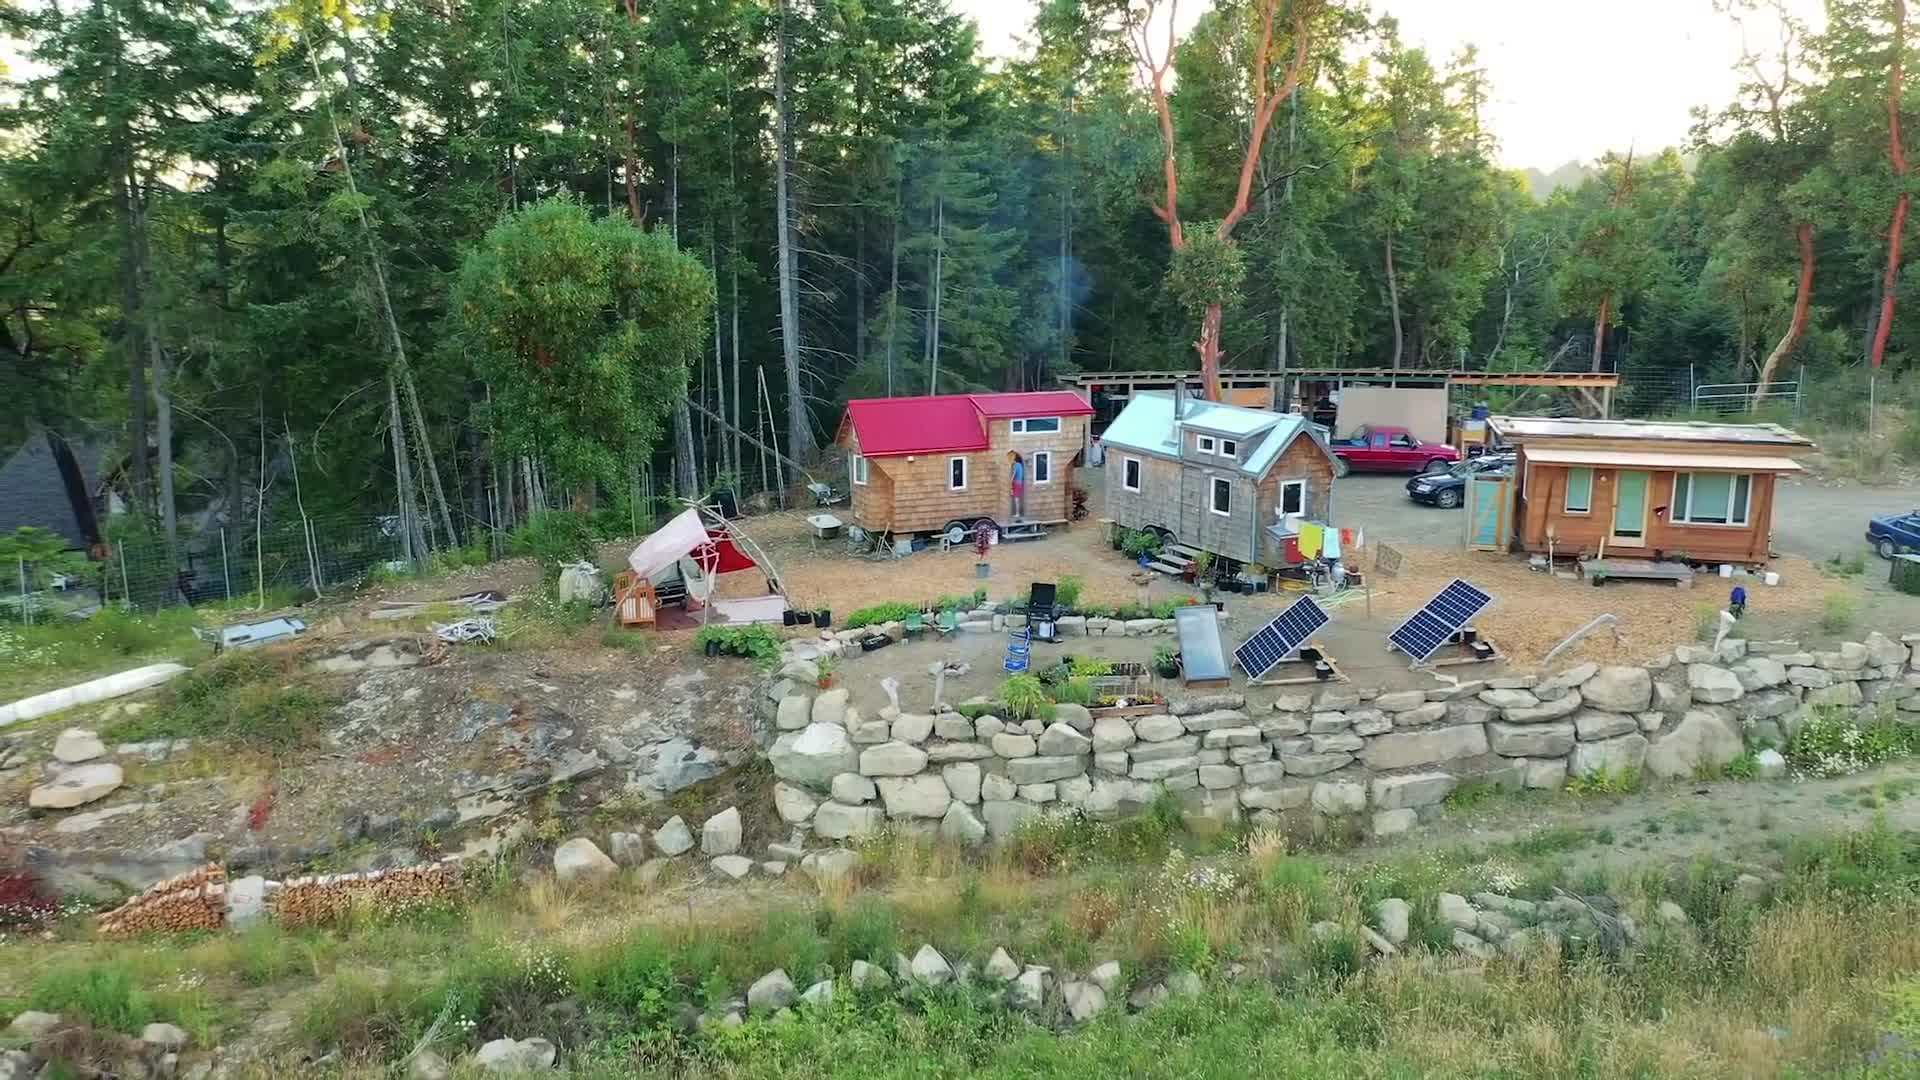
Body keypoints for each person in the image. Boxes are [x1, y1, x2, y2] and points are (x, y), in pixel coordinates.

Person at [1008, 451, 1025, 521]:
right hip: (1020, 483)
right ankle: (1019, 512)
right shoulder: (1020, 465)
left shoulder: (1016, 465)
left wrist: (1010, 481)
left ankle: (1017, 513)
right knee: (1017, 498)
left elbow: (1014, 473)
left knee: (1016, 499)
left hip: (1016, 483)